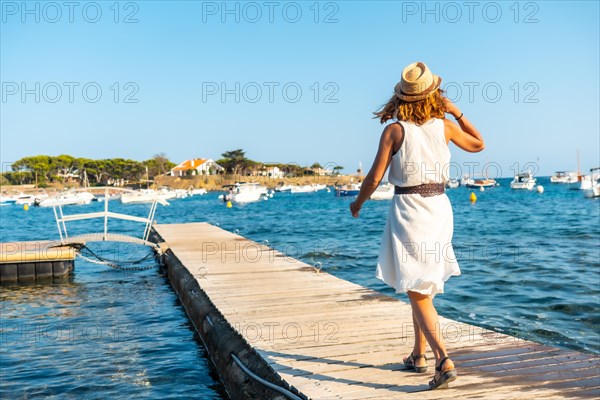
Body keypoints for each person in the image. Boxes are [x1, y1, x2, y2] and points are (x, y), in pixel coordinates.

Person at [349, 62, 484, 390]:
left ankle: (443, 359)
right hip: (439, 208)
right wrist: (456, 112)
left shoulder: (394, 131)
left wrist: (358, 202)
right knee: (421, 284)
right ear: (433, 96)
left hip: (410, 209)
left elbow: (374, 177)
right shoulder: (445, 127)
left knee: (416, 286)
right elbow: (478, 143)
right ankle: (417, 355)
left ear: (402, 99)